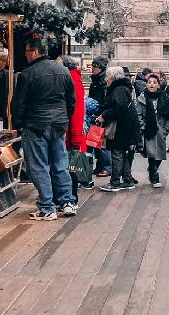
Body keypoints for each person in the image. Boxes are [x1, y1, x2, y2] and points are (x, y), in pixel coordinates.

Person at [11, 36, 75, 221]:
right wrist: (64, 119)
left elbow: (18, 104)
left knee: (39, 166)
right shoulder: (63, 71)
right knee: (60, 164)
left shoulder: (28, 73)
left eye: (27, 51)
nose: (26, 55)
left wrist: (19, 124)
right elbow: (71, 101)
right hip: (58, 124)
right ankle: (67, 202)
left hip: (35, 125)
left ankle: (47, 206)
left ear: (35, 52)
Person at [97, 66, 140, 193]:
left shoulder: (118, 89)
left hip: (121, 127)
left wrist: (104, 115)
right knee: (123, 153)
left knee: (117, 153)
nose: (106, 79)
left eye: (108, 77)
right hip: (126, 126)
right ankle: (127, 181)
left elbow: (119, 108)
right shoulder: (123, 88)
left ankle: (115, 182)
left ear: (113, 77)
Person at [57, 56, 88, 213]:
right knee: (69, 167)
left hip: (72, 134)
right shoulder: (73, 79)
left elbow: (76, 112)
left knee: (71, 167)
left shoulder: (72, 82)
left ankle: (71, 199)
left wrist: (75, 136)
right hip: (71, 133)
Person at [136, 73, 169, 187]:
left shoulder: (164, 98)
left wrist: (165, 129)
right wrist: (143, 126)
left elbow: (167, 116)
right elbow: (138, 114)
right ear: (146, 84)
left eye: (154, 82)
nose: (151, 84)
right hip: (148, 130)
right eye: (149, 82)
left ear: (158, 85)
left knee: (160, 154)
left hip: (160, 130)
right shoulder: (142, 98)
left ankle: (151, 169)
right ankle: (155, 178)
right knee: (151, 153)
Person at [88, 56, 111, 177]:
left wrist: (100, 111)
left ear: (100, 68)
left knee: (102, 143)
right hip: (95, 113)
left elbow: (104, 99)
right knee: (95, 142)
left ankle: (107, 167)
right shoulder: (95, 80)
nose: (92, 69)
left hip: (101, 114)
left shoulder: (103, 81)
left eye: (95, 66)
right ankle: (99, 166)